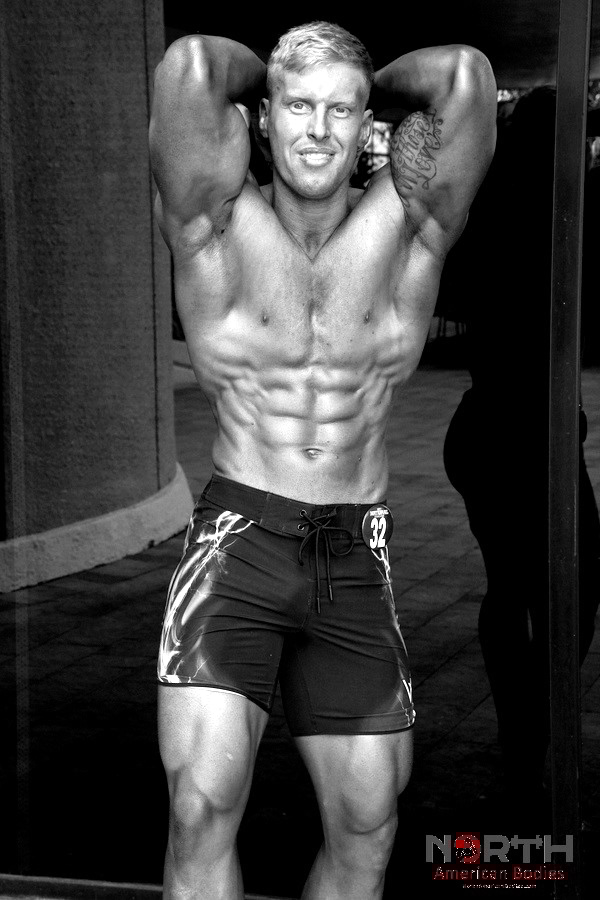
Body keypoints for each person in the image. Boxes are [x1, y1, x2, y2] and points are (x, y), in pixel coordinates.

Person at [149, 21, 496, 899]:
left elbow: (465, 76)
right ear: (264, 117)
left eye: (341, 111)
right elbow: (193, 65)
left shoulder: (407, 223)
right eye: (298, 107)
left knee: (369, 822)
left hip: (349, 555)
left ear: (366, 121)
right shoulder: (217, 223)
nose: (317, 129)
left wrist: (359, 82)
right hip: (238, 543)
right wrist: (278, 75)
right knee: (199, 805)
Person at [442, 87, 600, 821]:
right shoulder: (531, 220)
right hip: (510, 433)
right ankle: (525, 742)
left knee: (545, 587)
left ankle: (525, 736)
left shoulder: (536, 214)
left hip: (514, 430)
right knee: (540, 588)